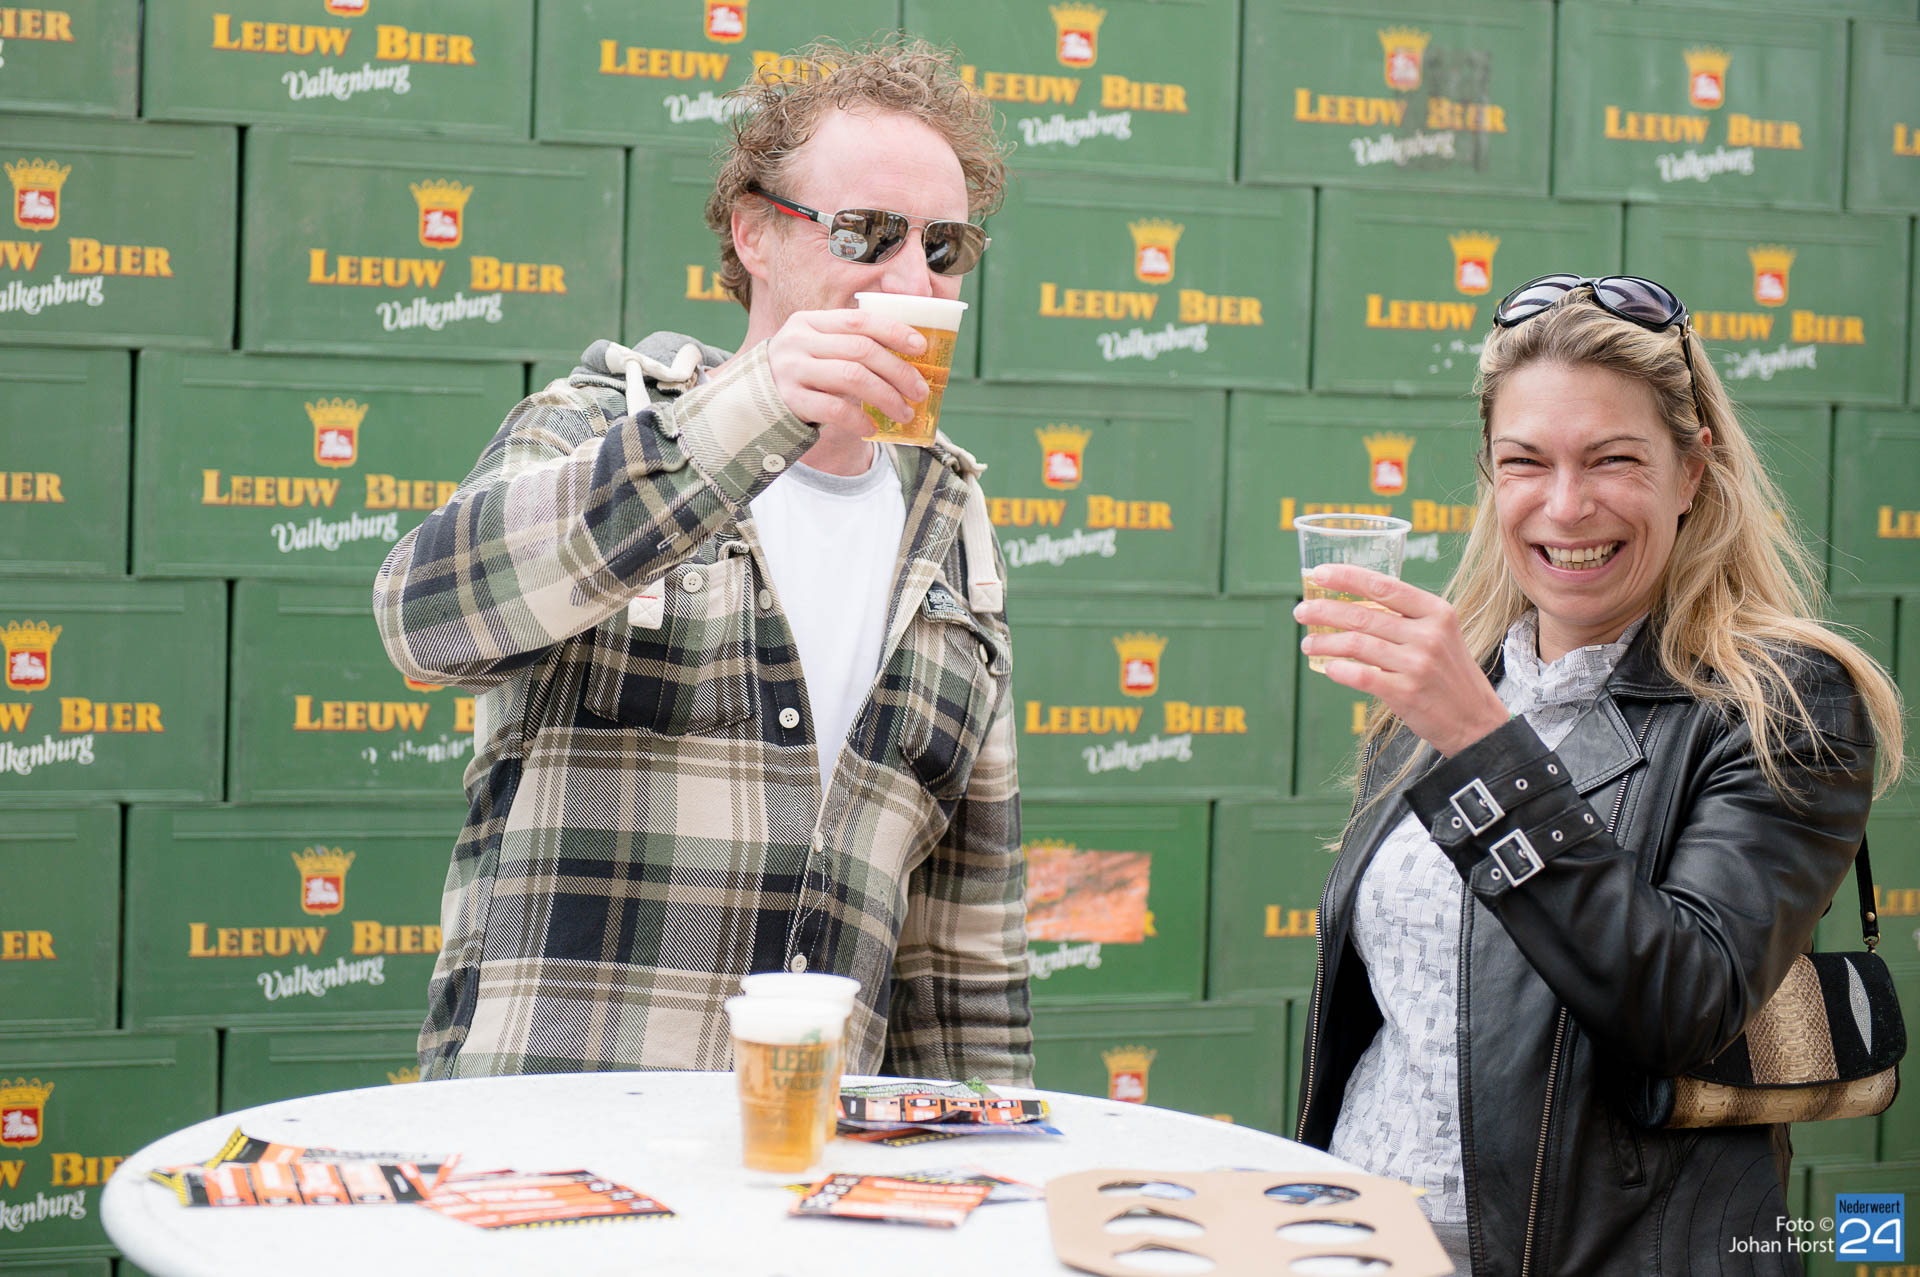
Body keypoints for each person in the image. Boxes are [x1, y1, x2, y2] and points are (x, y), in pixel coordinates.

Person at [372, 37, 1031, 1086]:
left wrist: (984, 1143)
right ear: (755, 232)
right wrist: (756, 411)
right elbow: (424, 621)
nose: (911, 276)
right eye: (867, 231)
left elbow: (964, 949)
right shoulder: (601, 422)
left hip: (806, 1154)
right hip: (554, 1147)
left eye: (944, 246)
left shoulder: (948, 517)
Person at [1290, 275, 1905, 1276]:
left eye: (1613, 459)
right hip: (1358, 1240)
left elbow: (1682, 1004)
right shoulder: (1456, 681)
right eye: (1525, 462)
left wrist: (1484, 746)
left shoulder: (1785, 704)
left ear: (1691, 471)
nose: (1566, 505)